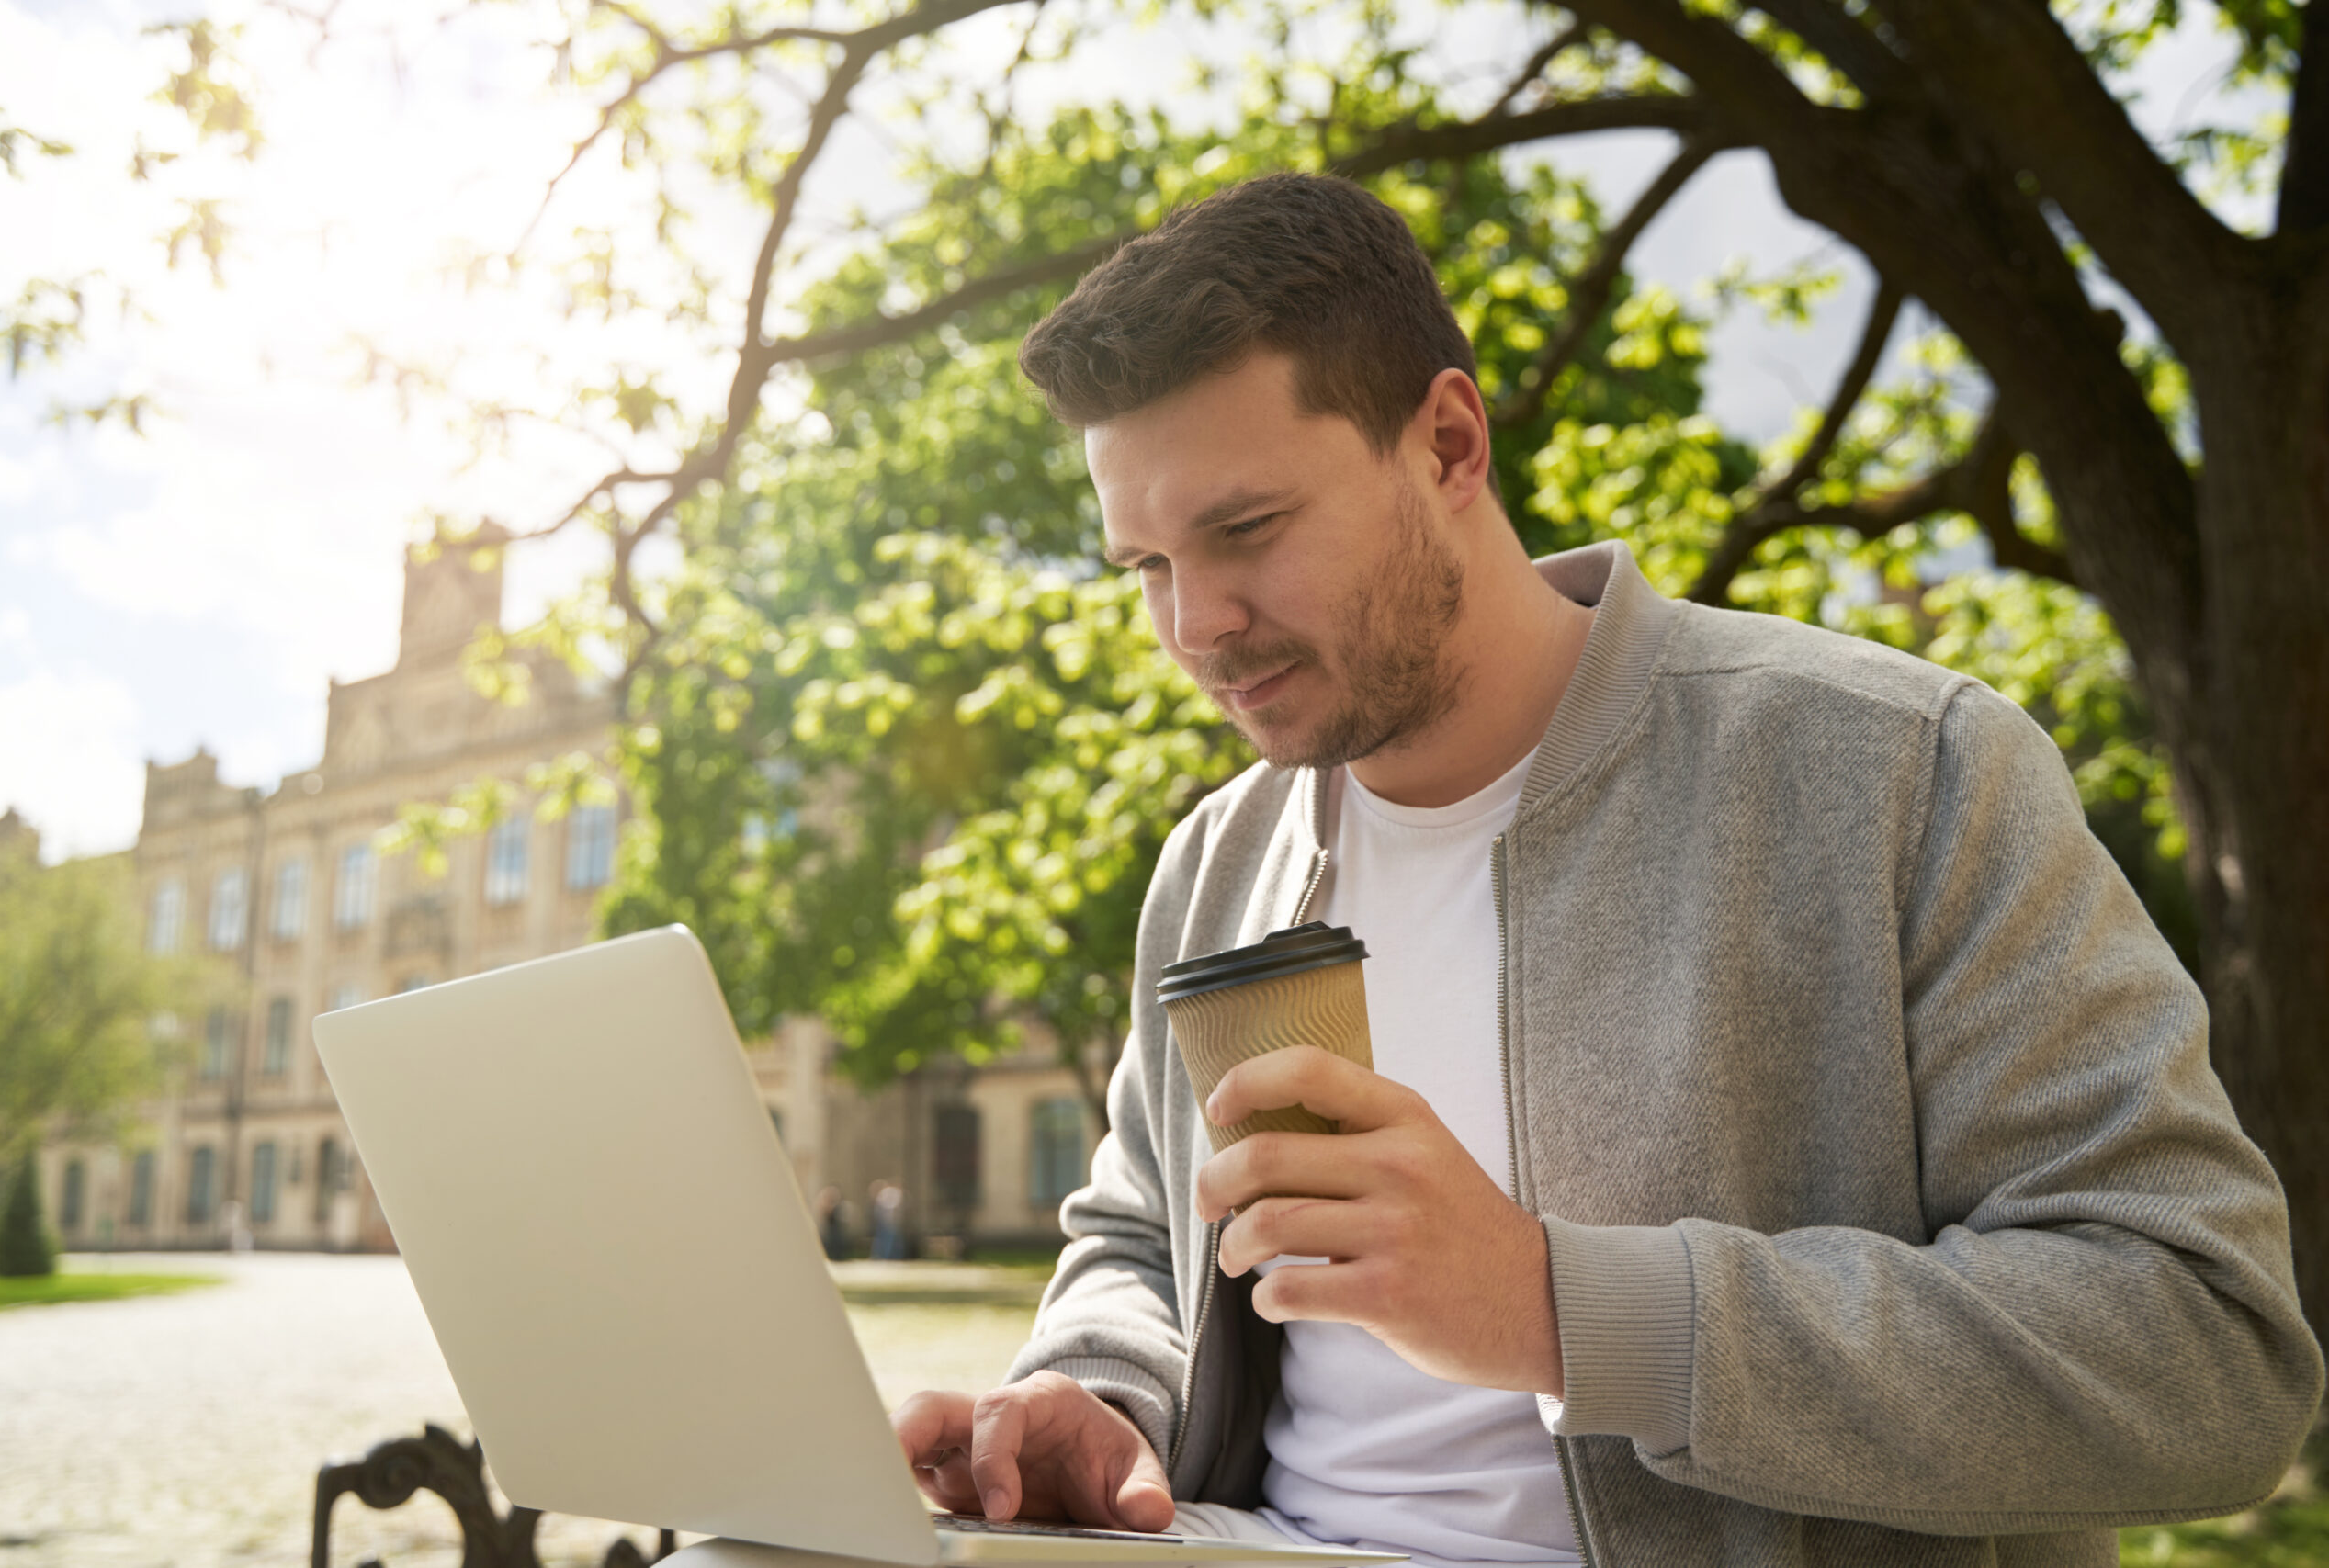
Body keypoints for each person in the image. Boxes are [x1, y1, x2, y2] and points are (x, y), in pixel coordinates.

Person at [890, 174, 2323, 1566]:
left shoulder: (1904, 771)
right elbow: (1146, 1237)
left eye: (1246, 530)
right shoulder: (1218, 859)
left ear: (1450, 444)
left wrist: (1561, 1310)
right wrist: (1099, 1390)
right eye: (1142, 564)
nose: (1196, 623)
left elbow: (2209, 1351)